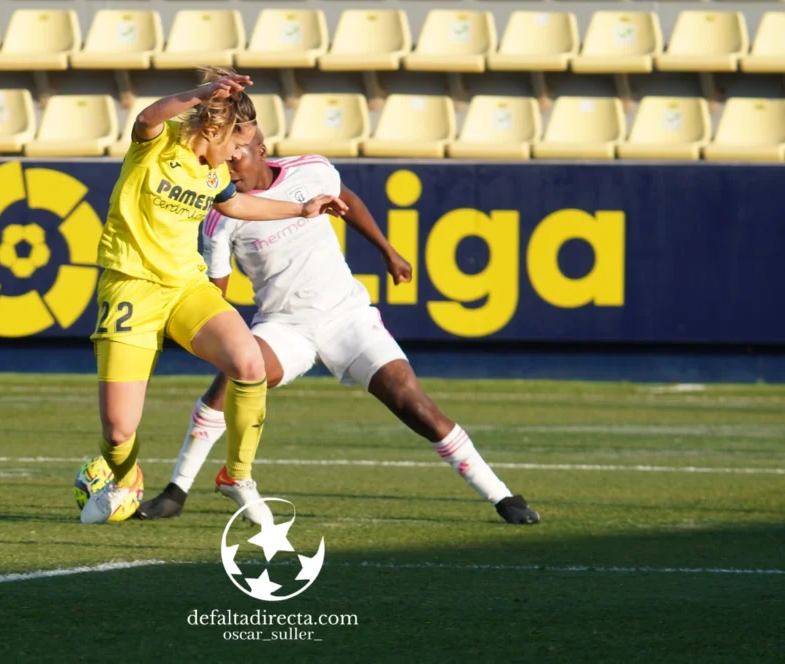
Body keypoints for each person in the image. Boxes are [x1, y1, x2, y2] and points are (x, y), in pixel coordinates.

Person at [136, 126, 540, 525]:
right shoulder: (221, 215)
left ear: (260, 149)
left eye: (235, 152)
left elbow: (349, 200)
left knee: (413, 404)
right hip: (283, 326)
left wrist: (388, 251)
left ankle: (502, 495)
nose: (225, 162)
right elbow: (215, 294)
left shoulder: (311, 170)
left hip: (347, 316)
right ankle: (178, 489)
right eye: (220, 154)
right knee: (238, 373)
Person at [80, 69, 348, 526]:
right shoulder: (157, 143)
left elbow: (235, 204)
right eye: (236, 142)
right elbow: (146, 115)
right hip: (131, 286)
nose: (239, 154)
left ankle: (236, 475)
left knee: (249, 365)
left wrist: (301, 209)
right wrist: (200, 93)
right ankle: (124, 476)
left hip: (186, 288)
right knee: (119, 430)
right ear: (212, 129)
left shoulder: (216, 173)